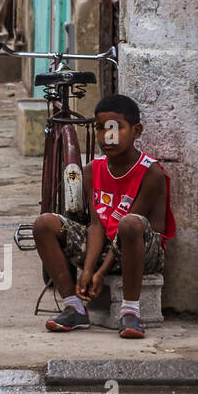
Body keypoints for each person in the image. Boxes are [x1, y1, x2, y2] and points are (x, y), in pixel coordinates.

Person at [32, 94, 175, 340]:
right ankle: (73, 306)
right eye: (100, 128)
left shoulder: (150, 172)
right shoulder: (92, 170)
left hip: (140, 248)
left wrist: (100, 273)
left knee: (129, 223)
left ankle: (130, 311)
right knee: (44, 223)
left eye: (115, 128)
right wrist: (88, 270)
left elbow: (130, 226)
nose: (106, 137)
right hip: (103, 247)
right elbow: (96, 225)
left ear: (136, 131)